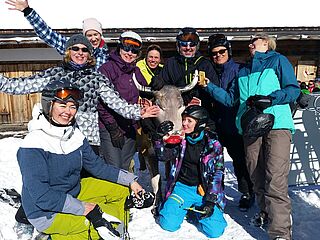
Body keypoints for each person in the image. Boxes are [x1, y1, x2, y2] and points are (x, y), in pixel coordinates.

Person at [16, 78, 148, 240]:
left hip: (74, 191)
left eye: (73, 107)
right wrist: (84, 208)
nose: (68, 111)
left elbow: (97, 167)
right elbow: (42, 196)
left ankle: (115, 232)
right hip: (46, 212)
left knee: (123, 193)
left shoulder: (75, 135)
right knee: (97, 224)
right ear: (48, 105)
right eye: (62, 105)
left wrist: (131, 181)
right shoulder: (33, 144)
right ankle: (54, 236)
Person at [200, 33, 300, 240]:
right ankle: (265, 212)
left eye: (254, 40)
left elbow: (293, 90)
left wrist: (270, 99)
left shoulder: (277, 60)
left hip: (277, 124)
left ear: (266, 43)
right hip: (250, 127)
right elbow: (230, 100)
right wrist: (208, 86)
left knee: (275, 177)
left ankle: (280, 232)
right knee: (256, 174)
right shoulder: (243, 70)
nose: (249, 44)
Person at [154, 105, 227, 238]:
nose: (184, 123)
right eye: (184, 119)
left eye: (189, 121)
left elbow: (217, 174)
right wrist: (158, 138)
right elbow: (163, 156)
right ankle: (177, 207)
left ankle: (194, 210)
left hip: (204, 191)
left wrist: (210, 201)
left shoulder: (213, 145)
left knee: (215, 231)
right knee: (168, 224)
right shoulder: (180, 140)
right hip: (182, 188)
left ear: (200, 123)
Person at [207, 33, 254, 210]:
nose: (218, 55)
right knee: (212, 161)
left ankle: (247, 192)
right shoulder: (210, 70)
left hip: (235, 124)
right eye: (214, 53)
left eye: (222, 51)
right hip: (216, 123)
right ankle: (214, 192)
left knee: (239, 160)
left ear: (229, 51)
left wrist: (208, 86)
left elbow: (231, 99)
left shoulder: (238, 70)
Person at [150, 27, 219, 130]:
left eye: (192, 44)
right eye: (183, 44)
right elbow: (162, 91)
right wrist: (157, 81)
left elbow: (215, 91)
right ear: (178, 45)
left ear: (197, 46)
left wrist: (197, 95)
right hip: (177, 118)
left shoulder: (205, 64)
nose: (188, 48)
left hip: (201, 118)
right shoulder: (171, 63)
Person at [5, 0, 109, 69]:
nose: (93, 38)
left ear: (100, 34)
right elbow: (47, 34)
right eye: (89, 35)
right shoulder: (73, 47)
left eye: (96, 34)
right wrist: (27, 11)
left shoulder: (109, 54)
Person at [97, 31, 147, 171]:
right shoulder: (107, 69)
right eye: (126, 47)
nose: (129, 53)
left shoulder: (136, 71)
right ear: (119, 47)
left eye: (134, 50)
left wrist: (155, 84)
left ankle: (125, 193)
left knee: (126, 167)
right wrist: (112, 128)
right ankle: (111, 193)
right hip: (110, 128)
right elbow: (100, 102)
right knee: (114, 168)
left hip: (130, 127)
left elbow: (145, 93)